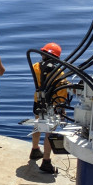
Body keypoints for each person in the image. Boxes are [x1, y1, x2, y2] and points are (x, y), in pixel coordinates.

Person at [30, 42, 67, 174]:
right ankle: (46, 161)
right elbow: (61, 93)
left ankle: (35, 150)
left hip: (38, 101)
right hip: (51, 104)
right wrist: (62, 108)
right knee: (48, 133)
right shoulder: (58, 72)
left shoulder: (35, 67)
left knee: (37, 125)